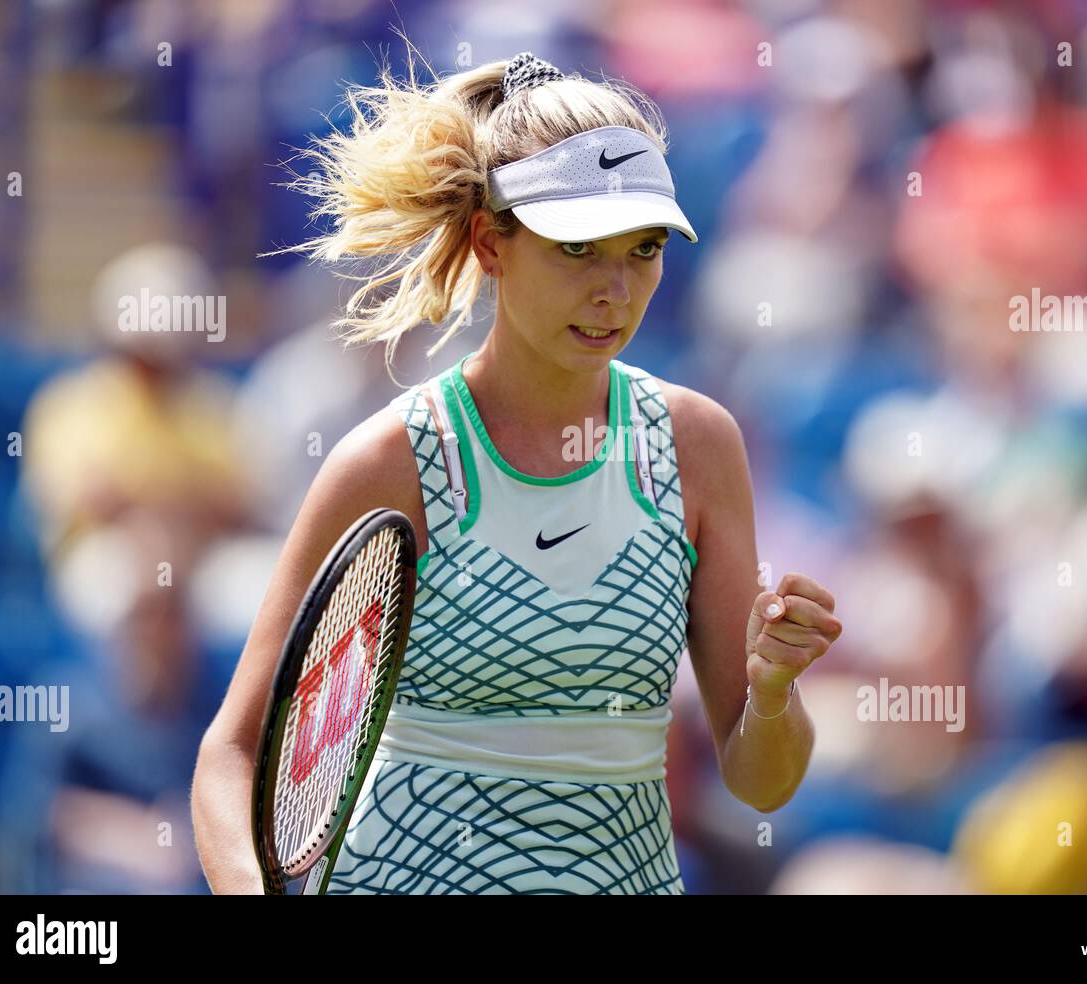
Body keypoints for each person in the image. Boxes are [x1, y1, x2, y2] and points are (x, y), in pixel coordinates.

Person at [191, 48, 842, 894]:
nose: (616, 289)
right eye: (578, 250)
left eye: (643, 250)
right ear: (489, 243)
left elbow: (762, 779)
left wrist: (774, 688)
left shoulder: (697, 445)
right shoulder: (388, 461)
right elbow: (234, 752)